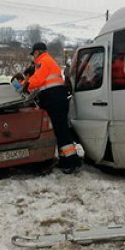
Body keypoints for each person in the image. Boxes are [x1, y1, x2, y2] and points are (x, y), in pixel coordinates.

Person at [25, 42, 82, 174]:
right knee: (59, 130)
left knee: (61, 130)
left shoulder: (43, 61)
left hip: (54, 98)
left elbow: (38, 80)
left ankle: (73, 161)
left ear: (38, 52)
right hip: (56, 98)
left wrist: (25, 86)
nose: (33, 56)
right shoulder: (46, 61)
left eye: (33, 53)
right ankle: (65, 160)